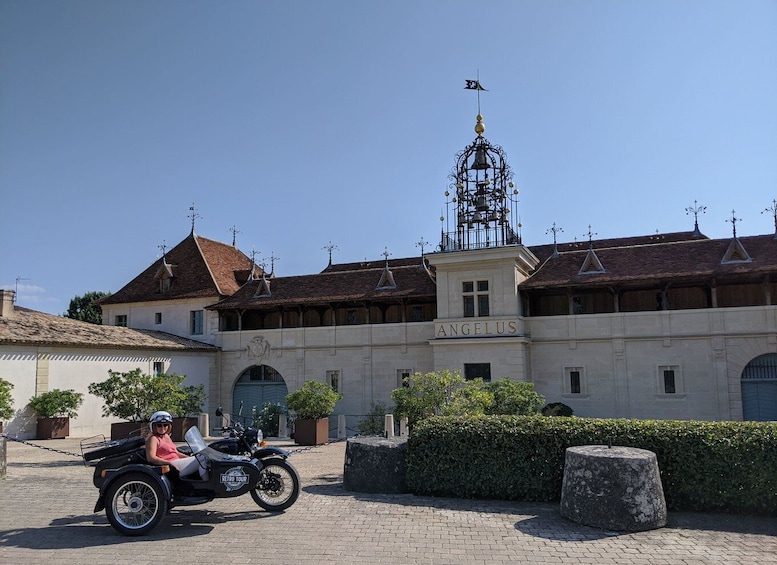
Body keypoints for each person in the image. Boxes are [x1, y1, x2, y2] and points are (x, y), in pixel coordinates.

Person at [145, 411, 208, 480]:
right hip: (171, 466)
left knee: (204, 457)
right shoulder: (153, 439)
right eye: (159, 425)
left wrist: (188, 457)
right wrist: (169, 463)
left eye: (165, 425)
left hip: (177, 462)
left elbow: (176, 453)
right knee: (202, 458)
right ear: (154, 426)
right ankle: (207, 483)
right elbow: (151, 458)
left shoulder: (166, 436)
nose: (163, 427)